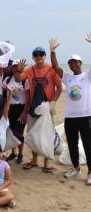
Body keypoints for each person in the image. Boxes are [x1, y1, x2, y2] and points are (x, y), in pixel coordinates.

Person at [49, 34, 91, 183]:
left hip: (86, 116)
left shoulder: (87, 76)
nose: (73, 64)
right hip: (70, 117)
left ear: (80, 63)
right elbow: (55, 67)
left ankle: (90, 172)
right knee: (72, 144)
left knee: (88, 144)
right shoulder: (68, 77)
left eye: (75, 62)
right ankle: (75, 168)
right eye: (71, 63)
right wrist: (52, 50)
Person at [14, 46, 63, 173]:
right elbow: (18, 79)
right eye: (36, 55)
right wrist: (18, 71)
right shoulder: (29, 70)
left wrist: (53, 102)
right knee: (33, 135)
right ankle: (34, 160)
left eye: (41, 54)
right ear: (33, 57)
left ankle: (46, 163)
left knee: (48, 135)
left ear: (45, 56)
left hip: (47, 108)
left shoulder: (51, 70)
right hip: (33, 108)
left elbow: (59, 87)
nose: (39, 57)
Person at [3, 60, 26, 164]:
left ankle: (20, 154)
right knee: (11, 132)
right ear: (12, 69)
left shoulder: (25, 79)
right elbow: (3, 95)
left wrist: (25, 112)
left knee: (19, 133)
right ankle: (14, 152)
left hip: (21, 108)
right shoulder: (7, 80)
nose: (16, 68)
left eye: (18, 67)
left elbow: (29, 96)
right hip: (10, 108)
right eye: (14, 67)